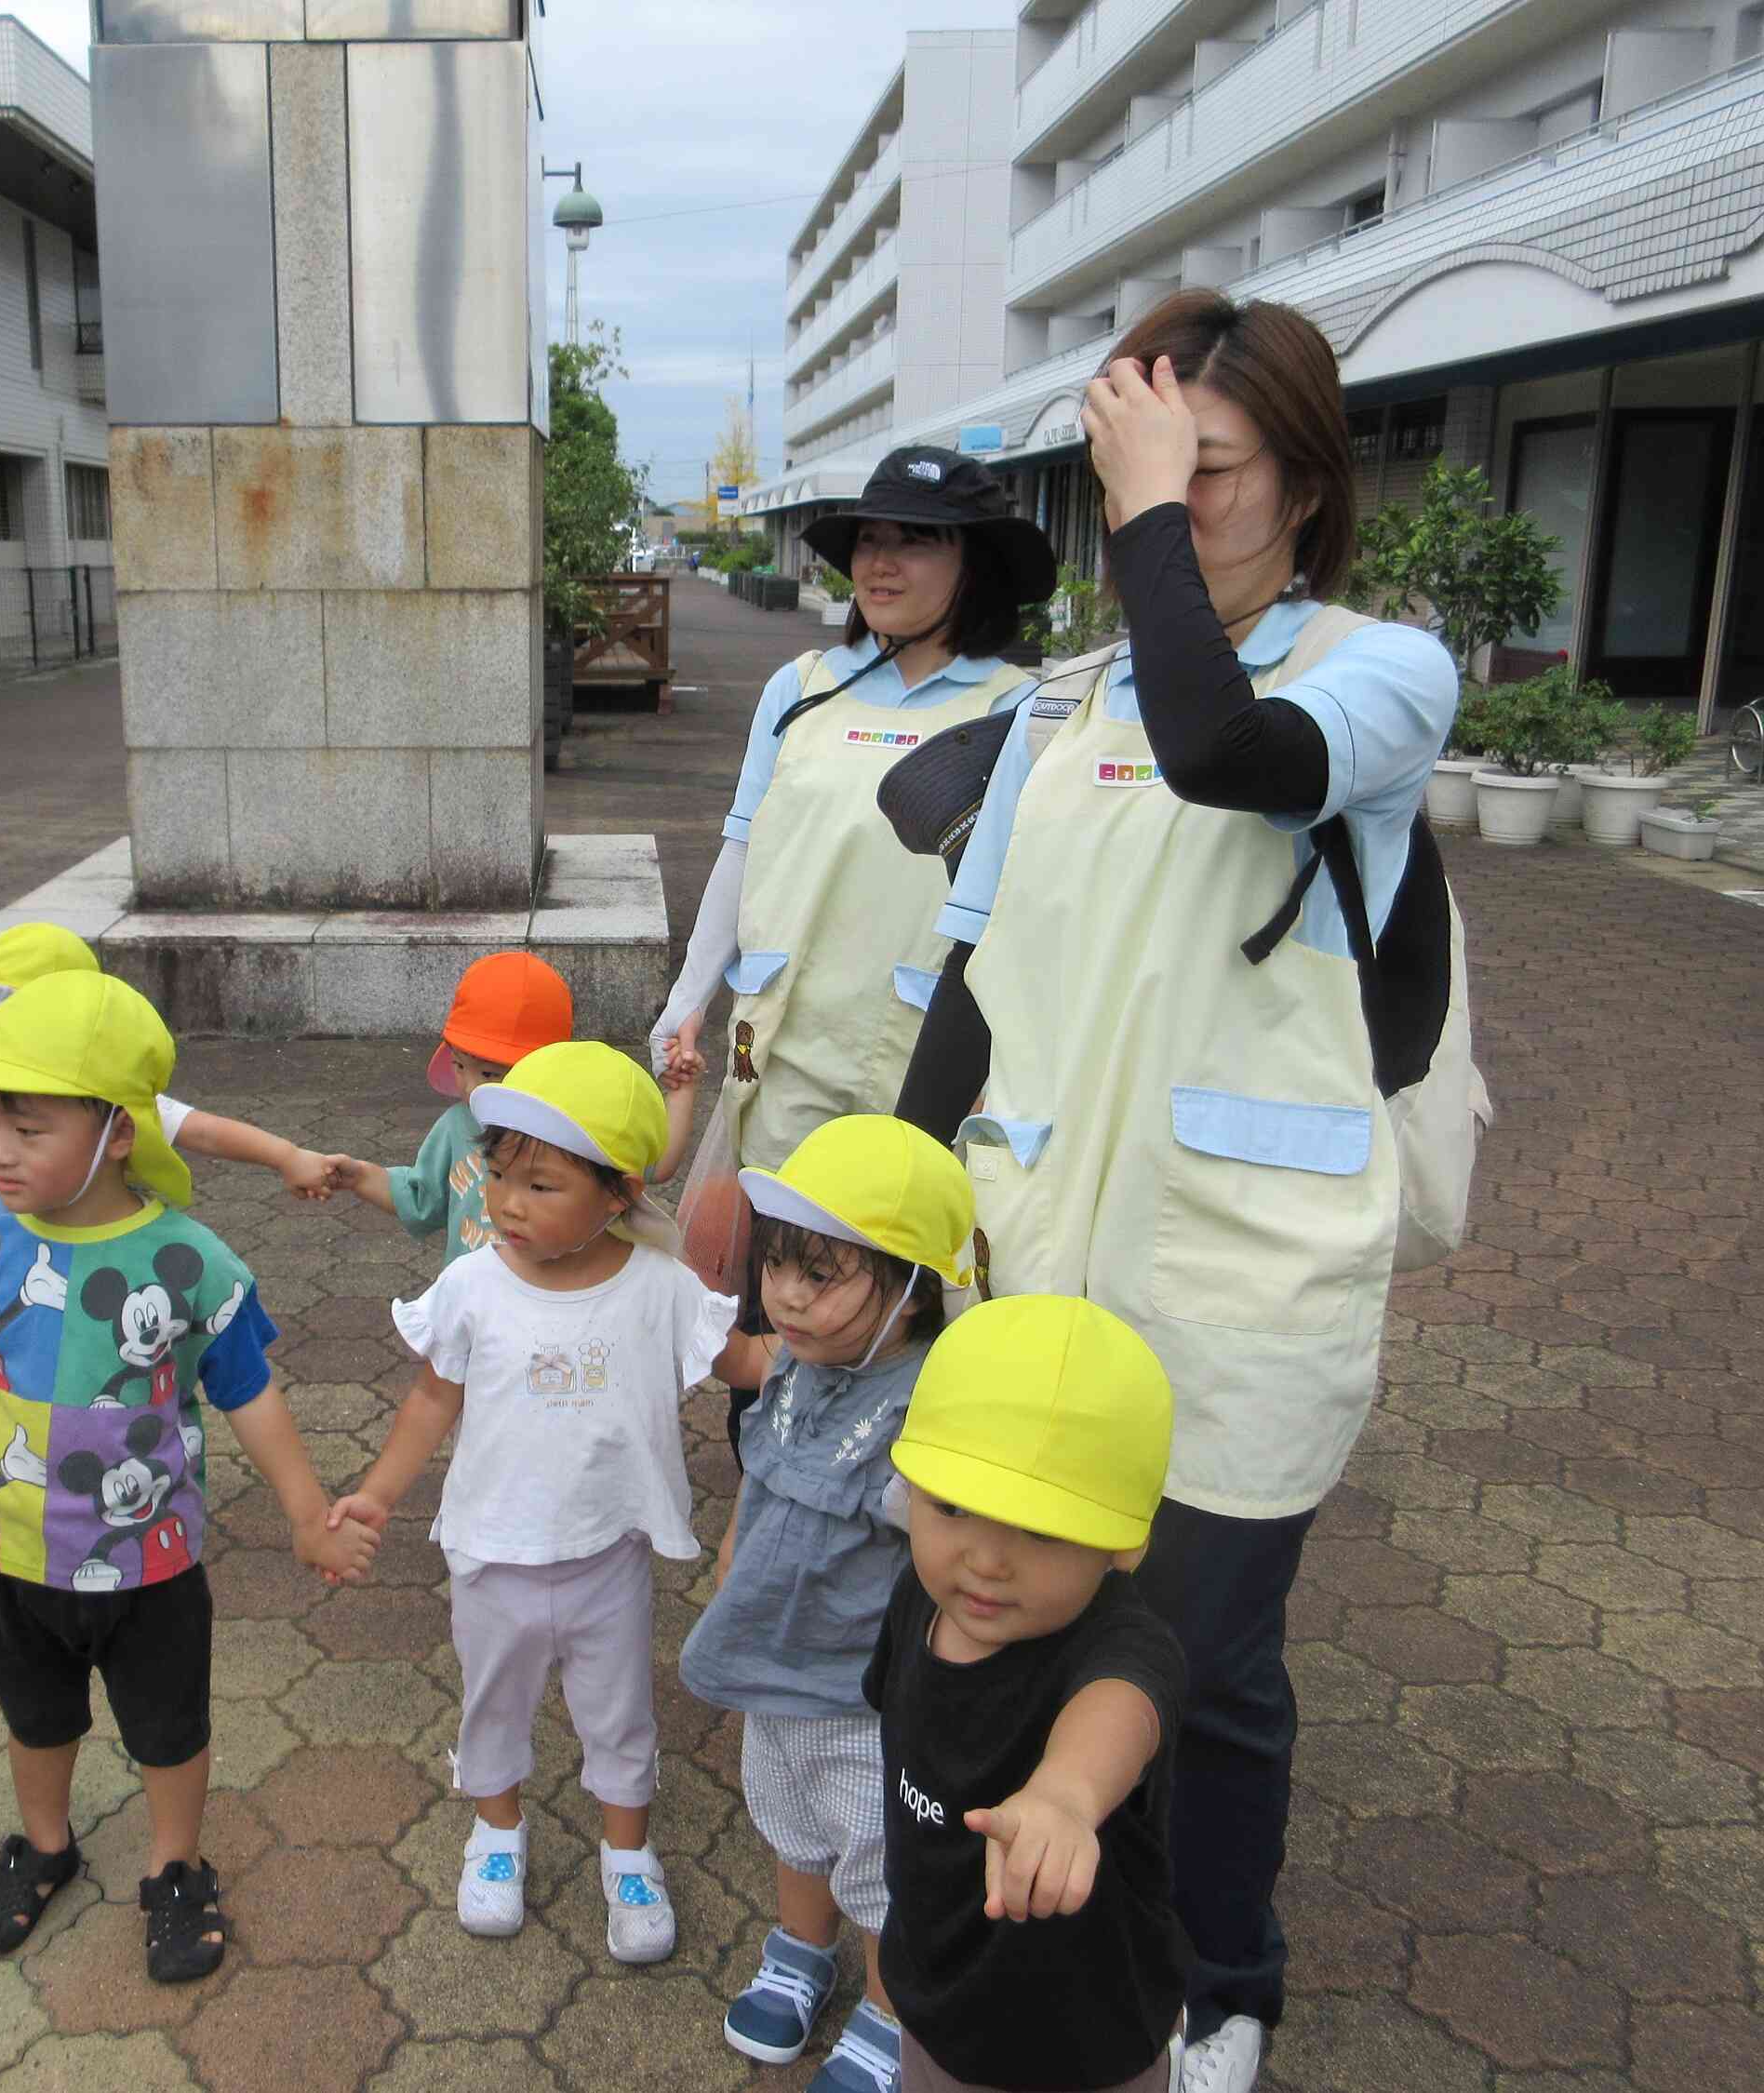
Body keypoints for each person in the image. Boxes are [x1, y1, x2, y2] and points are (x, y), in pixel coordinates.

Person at [896, 290, 1458, 2093]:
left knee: (1199, 1664)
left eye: (1208, 471)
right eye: (1152, 473)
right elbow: (973, 976)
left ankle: (1223, 1975)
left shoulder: (1377, 671)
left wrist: (1132, 526)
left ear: (1304, 483)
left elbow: (1233, 759)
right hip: (1045, 1258)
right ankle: (1011, 1959)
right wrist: (900, 1235)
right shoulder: (1061, 705)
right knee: (1014, 1637)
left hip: (1240, 1274)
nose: (1177, 504)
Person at [0, 970, 378, 1983]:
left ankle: (174, 1864)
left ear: (117, 1133)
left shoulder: (189, 1261)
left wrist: (307, 1516)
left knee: (168, 1727)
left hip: (147, 1565)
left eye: (28, 1126)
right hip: (9, 1554)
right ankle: (45, 1845)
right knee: (35, 1717)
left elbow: (251, 1396)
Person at [327, 1043, 771, 1964]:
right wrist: (375, 1493)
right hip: (491, 1553)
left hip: (609, 1553)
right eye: (498, 1176)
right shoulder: (471, 1287)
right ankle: (496, 1833)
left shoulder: (659, 1286)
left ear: (618, 1195)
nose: (507, 1203)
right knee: (494, 1701)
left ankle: (629, 1851)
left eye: (540, 1185)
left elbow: (747, 1362)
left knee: (619, 1712)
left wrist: (835, 1357)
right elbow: (430, 1400)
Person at [651, 446, 1053, 1458]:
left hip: (918, 1054)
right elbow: (743, 844)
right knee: (782, 1281)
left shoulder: (1021, 710)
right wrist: (689, 996)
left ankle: (880, 1498)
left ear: (976, 564)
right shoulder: (802, 686)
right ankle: (772, 1468)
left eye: (916, 541)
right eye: (871, 539)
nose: (882, 563)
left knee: (895, 1287)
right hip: (781, 1046)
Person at [679, 1116, 975, 2093]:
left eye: (822, 1276)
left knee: (881, 1862)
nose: (785, 1297)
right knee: (790, 1823)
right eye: (778, 1267)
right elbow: (764, 1469)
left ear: (915, 1285)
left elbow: (950, 1558)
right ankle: (801, 1950)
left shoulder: (929, 1404)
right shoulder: (805, 1361)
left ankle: (894, 2016)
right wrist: (729, 1550)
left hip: (862, 1694)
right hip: (772, 1664)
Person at [866, 1294, 1189, 2093]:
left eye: (1040, 1530)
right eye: (951, 1506)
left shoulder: (1120, 1644)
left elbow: (1121, 1708)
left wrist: (1065, 1799)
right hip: (936, 1996)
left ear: (1119, 1544)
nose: (984, 1559)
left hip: (1084, 2037)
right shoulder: (920, 1595)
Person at [0, 923, 344, 1262]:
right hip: (9, 1261)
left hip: (107, 1257)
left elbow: (204, 1131)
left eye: (3, 1022)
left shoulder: (107, 1102)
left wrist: (288, 1157)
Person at [329, 951, 576, 1265]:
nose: (471, 1087)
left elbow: (644, 1174)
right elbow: (420, 1198)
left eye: (490, 1073)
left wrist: (663, 1090)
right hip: (468, 1302)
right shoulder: (456, 1125)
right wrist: (358, 1176)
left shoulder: (574, 1130)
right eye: (459, 1065)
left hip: (552, 1301)